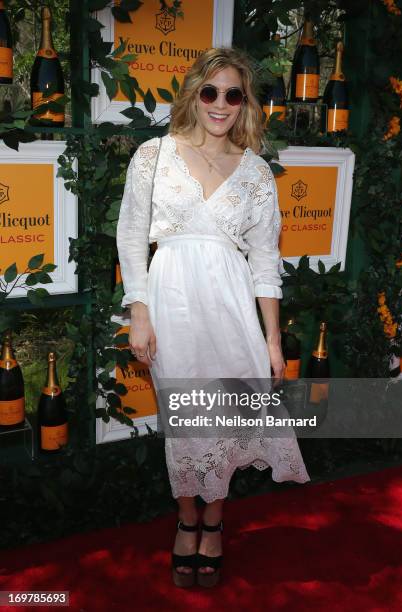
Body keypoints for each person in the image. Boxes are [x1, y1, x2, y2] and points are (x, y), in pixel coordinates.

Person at [116, 47, 311, 589]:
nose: (220, 104)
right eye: (210, 91)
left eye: (233, 94)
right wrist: (139, 311)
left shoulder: (255, 175)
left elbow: (266, 264)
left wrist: (273, 341)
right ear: (193, 95)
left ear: (244, 103)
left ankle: (215, 520)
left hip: (230, 306)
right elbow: (131, 236)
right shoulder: (154, 154)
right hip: (171, 302)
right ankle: (187, 518)